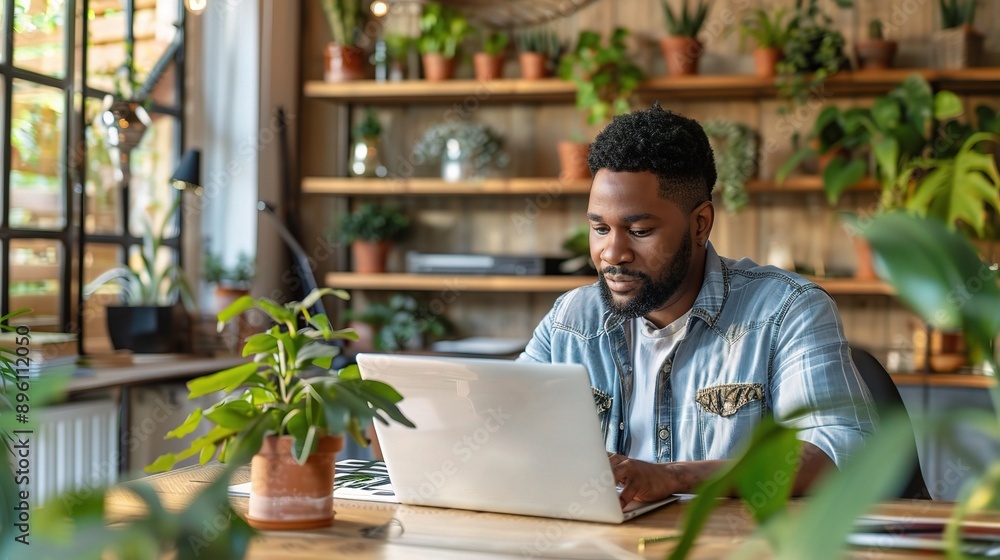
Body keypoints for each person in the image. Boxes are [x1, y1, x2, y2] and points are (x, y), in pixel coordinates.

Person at [518, 103, 877, 507]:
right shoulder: (570, 321)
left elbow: (841, 450)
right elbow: (506, 430)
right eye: (599, 228)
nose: (612, 253)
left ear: (700, 224)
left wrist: (674, 477)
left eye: (639, 230)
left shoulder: (787, 311)